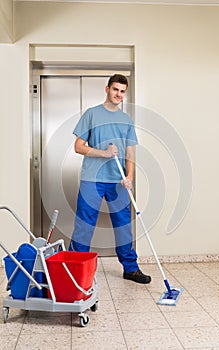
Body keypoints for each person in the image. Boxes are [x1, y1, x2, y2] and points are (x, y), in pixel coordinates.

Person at [69, 74, 151, 284]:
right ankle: (74, 270)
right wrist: (103, 153)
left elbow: (130, 155)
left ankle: (130, 269)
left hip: (118, 181)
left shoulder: (126, 120)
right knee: (84, 225)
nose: (119, 94)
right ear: (107, 89)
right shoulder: (92, 114)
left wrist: (130, 177)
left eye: (122, 91)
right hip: (92, 179)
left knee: (123, 226)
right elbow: (78, 147)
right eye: (115, 89)